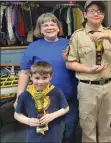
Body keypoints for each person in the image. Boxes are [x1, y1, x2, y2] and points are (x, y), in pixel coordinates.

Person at [64, 1, 111, 142]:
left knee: (107, 124)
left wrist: (109, 36)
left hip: (109, 85)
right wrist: (88, 69)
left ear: (103, 15)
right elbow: (69, 63)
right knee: (88, 125)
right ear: (85, 14)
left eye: (99, 11)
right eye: (92, 11)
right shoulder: (77, 36)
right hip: (88, 86)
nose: (96, 14)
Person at [15, 13, 79, 143]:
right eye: (45, 25)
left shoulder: (69, 44)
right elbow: (25, 73)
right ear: (40, 29)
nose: (49, 27)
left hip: (69, 98)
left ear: (58, 27)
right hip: (42, 101)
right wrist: (19, 96)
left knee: (69, 131)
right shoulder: (33, 47)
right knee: (47, 135)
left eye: (52, 24)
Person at [14, 61, 69, 143]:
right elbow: (17, 114)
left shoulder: (57, 92)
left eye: (44, 78)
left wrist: (53, 115)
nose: (40, 82)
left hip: (54, 132)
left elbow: (66, 108)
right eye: (37, 78)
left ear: (51, 77)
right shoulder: (25, 95)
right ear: (31, 77)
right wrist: (27, 120)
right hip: (34, 133)